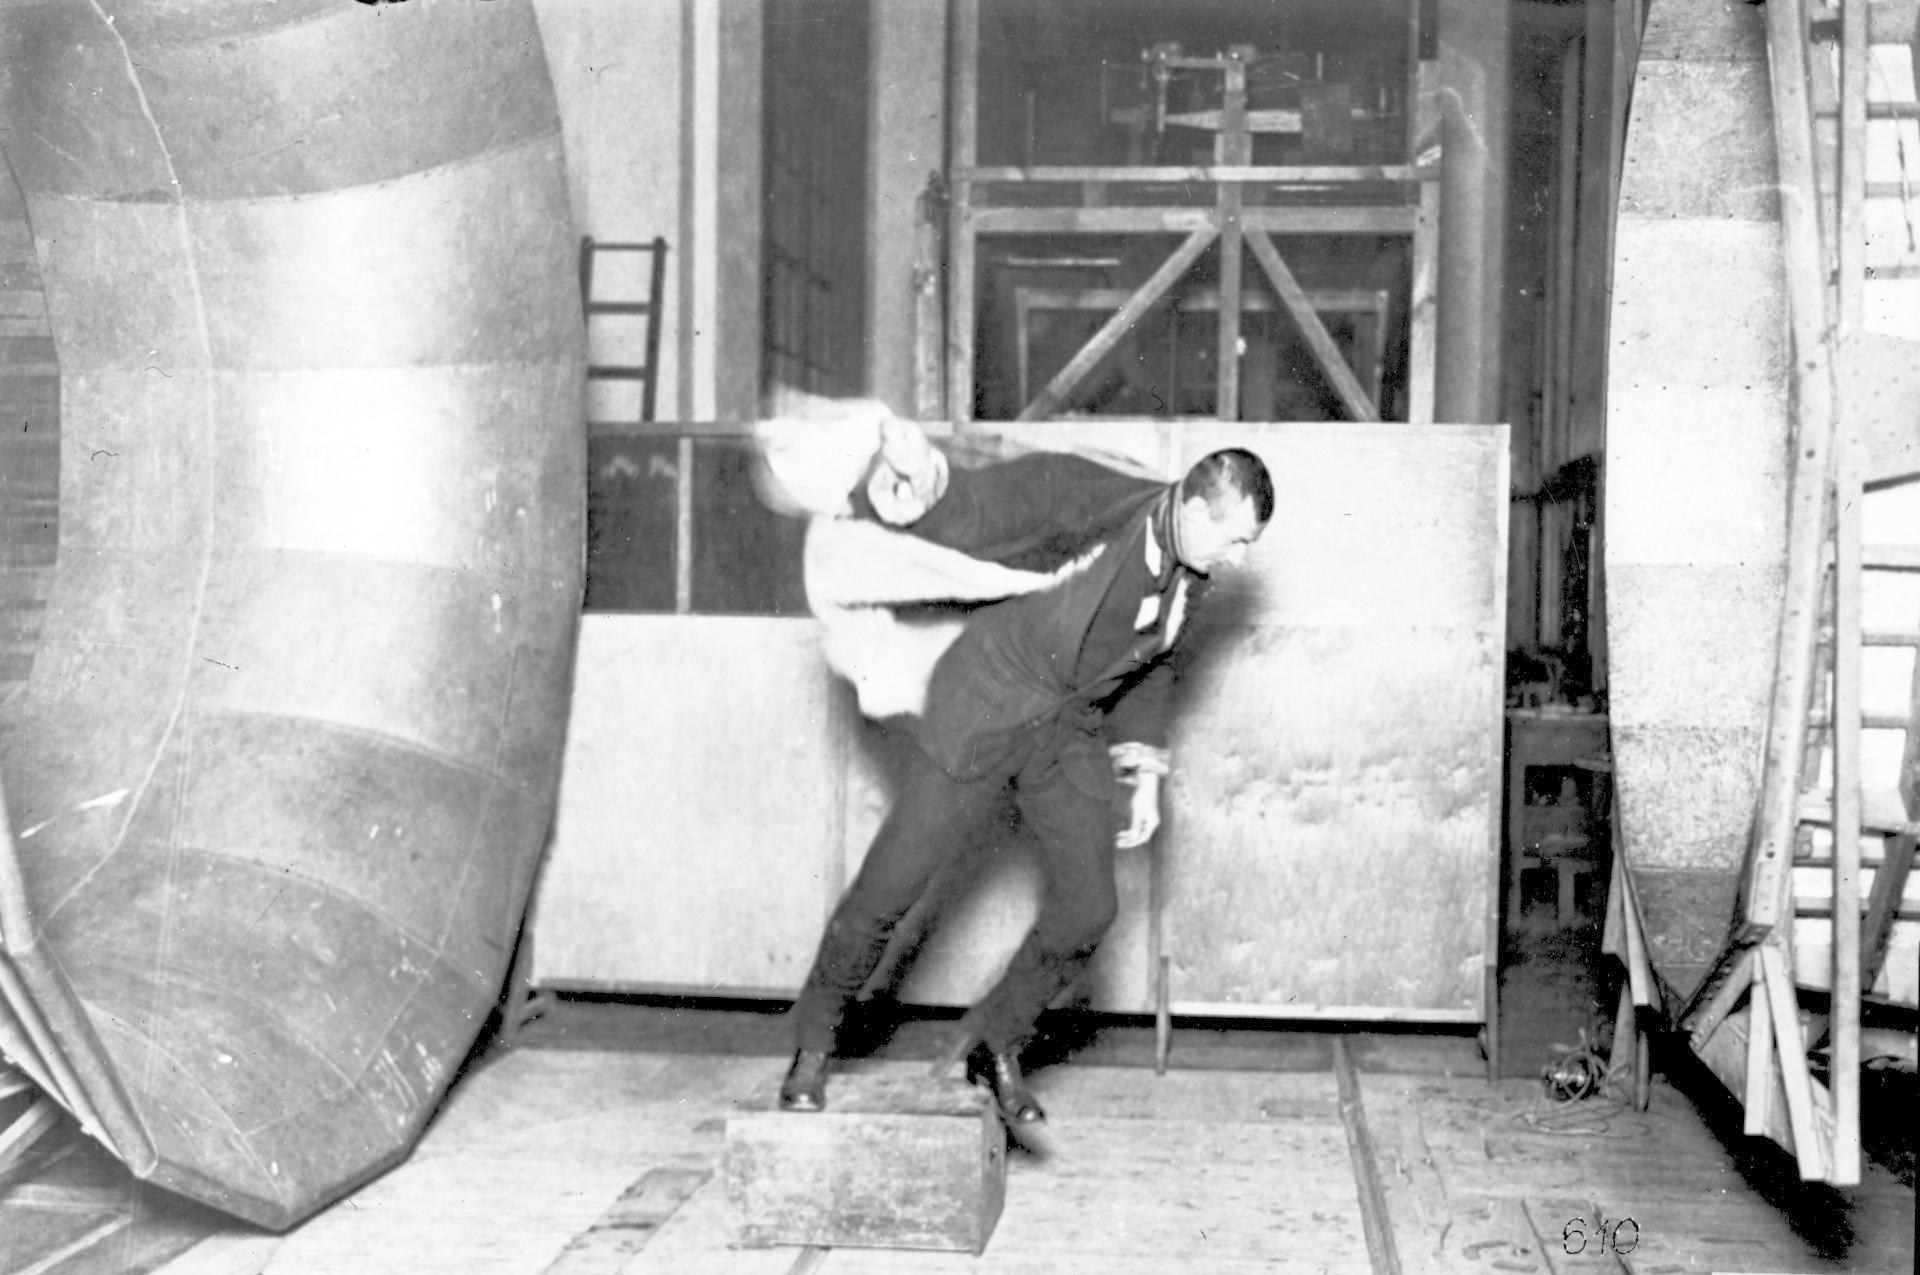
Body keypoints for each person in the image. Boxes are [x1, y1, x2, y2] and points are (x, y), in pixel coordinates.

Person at [780, 426, 1274, 1124]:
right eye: (1236, 538)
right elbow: (997, 505)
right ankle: (812, 1043)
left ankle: (996, 1040)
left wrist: (1145, 764)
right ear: (1194, 512)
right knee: (888, 891)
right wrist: (924, 485)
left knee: (1089, 906)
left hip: (1062, 728)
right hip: (986, 705)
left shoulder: (1193, 574)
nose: (1240, 556)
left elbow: (1152, 660)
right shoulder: (1102, 504)